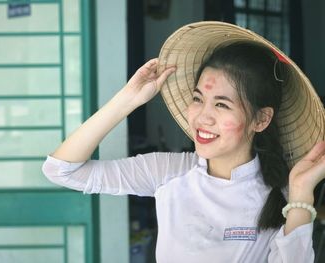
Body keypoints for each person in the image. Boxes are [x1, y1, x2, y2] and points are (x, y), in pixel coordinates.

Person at [42, 22, 325, 262]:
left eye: (222, 105)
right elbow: (62, 170)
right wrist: (126, 101)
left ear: (261, 120)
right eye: (197, 98)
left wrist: (301, 194)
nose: (203, 116)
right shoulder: (169, 172)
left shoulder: (283, 196)